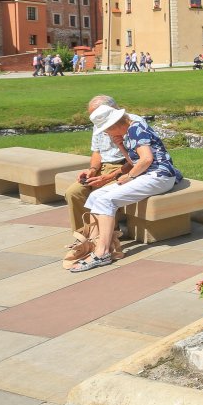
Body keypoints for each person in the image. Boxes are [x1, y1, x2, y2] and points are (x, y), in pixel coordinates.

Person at [71, 104, 181, 272]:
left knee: (106, 201)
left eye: (106, 130)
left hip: (159, 176)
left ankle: (102, 253)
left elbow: (146, 159)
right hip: (148, 175)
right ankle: (94, 244)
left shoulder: (136, 129)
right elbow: (135, 161)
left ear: (113, 125)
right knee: (95, 196)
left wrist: (129, 176)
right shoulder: (129, 132)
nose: (107, 134)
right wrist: (121, 146)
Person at [63, 95, 143, 233]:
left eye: (96, 114)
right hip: (103, 167)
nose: (94, 118)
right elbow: (97, 151)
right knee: (73, 193)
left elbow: (138, 160)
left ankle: (107, 235)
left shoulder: (133, 123)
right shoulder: (98, 123)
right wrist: (92, 170)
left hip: (124, 168)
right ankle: (84, 235)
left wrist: (109, 177)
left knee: (100, 196)